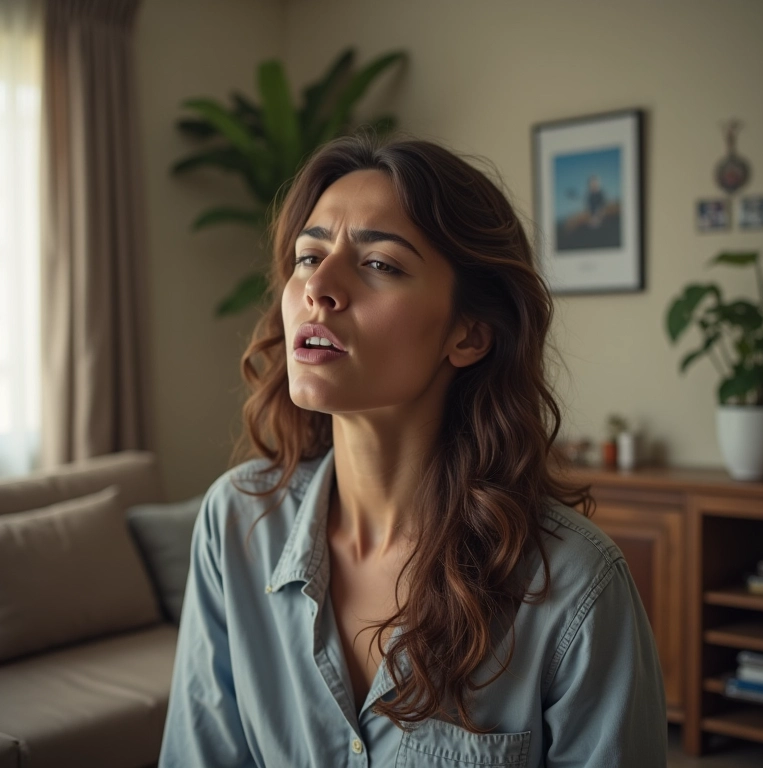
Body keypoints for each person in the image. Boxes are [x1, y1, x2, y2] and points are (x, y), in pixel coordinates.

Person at [159, 131, 667, 767]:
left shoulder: (575, 588)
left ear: (470, 334)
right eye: (309, 256)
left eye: (380, 265)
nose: (320, 288)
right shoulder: (234, 524)